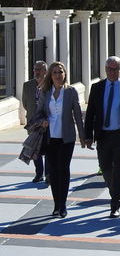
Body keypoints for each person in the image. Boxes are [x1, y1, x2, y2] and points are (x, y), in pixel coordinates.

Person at [85, 57, 120, 218]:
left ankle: (115, 203)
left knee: (119, 168)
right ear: (105, 69)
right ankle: (117, 189)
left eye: (115, 69)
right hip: (103, 134)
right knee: (105, 166)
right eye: (109, 69)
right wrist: (88, 136)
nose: (112, 72)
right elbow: (90, 114)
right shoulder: (97, 87)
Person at [31, 62, 85, 218]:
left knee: (63, 169)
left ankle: (63, 205)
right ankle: (56, 205)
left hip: (66, 138)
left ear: (65, 74)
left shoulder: (71, 92)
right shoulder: (45, 92)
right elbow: (38, 113)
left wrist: (82, 136)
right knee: (53, 173)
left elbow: (77, 116)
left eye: (60, 72)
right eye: (54, 72)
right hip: (50, 138)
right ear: (50, 75)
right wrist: (42, 121)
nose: (57, 75)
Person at [22, 60, 48, 183]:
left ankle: (49, 174)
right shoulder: (27, 86)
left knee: (48, 149)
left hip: (47, 124)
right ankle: (39, 174)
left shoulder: (51, 85)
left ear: (45, 71)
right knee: (34, 149)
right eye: (35, 69)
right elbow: (25, 104)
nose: (36, 72)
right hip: (33, 124)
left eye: (39, 69)